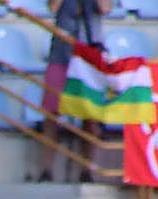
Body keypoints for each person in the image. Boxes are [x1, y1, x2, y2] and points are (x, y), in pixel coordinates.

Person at [38, 0, 110, 183]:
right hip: (61, 54)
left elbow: (104, 8)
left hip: (89, 54)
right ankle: (46, 168)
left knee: (90, 115)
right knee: (51, 113)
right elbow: (53, 7)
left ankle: (87, 169)